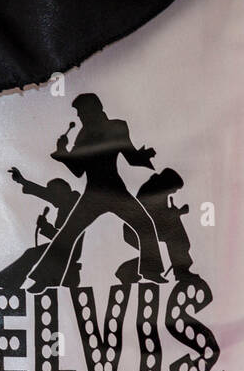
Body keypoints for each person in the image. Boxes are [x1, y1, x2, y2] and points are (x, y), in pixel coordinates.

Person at [25, 93, 166, 291]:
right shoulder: (83, 134)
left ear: (95, 108)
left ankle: (151, 271)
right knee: (68, 234)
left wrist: (144, 155)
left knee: (144, 224)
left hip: (115, 190)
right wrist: (63, 153)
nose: (81, 117)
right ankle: (46, 278)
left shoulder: (117, 126)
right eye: (80, 114)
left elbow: (131, 157)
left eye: (82, 112)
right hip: (94, 193)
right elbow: (78, 170)